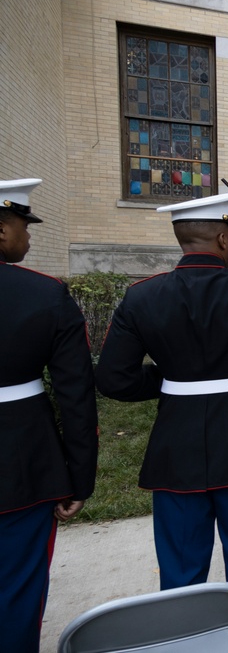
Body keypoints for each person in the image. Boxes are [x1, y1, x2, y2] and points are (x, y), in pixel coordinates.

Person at [96, 193, 228, 652]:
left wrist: (168, 380)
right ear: (220, 237)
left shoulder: (142, 295)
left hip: (177, 451)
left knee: (180, 571)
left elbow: (113, 378)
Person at [0, 179, 99, 653]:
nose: (29, 237)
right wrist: (76, 479)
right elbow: (75, 395)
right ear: (2, 230)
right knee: (17, 587)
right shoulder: (44, 294)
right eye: (24, 225)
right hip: (21, 463)